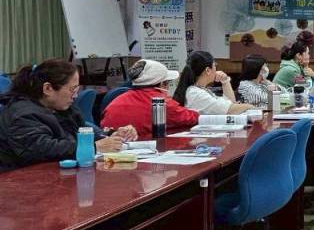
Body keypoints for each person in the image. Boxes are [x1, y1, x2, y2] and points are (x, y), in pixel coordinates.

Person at [0, 60, 136, 172]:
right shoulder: (22, 114)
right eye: (72, 89)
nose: (75, 96)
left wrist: (111, 135)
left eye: (77, 89)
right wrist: (94, 147)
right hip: (22, 183)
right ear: (48, 89)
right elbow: (43, 149)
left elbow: (81, 132)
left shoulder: (60, 108)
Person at [101, 59, 199, 139]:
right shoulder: (161, 102)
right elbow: (193, 118)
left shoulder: (116, 101)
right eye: (167, 83)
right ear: (162, 84)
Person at [174, 51, 254, 115]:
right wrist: (249, 106)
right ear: (208, 70)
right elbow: (229, 110)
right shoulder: (195, 93)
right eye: (215, 65)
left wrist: (225, 81)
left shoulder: (201, 90)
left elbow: (231, 104)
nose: (216, 69)